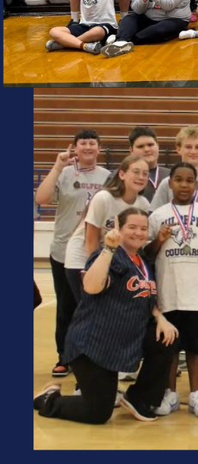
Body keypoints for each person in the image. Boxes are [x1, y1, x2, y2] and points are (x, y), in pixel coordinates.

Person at [33, 208, 179, 425]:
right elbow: (91, 287)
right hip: (92, 345)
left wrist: (160, 318)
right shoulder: (108, 255)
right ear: (119, 228)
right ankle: (49, 400)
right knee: (98, 413)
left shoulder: (141, 260)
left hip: (120, 342)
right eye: (132, 227)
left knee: (167, 338)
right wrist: (109, 248)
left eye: (143, 228)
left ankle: (138, 398)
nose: (138, 233)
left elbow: (145, 297)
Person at [147, 162, 198, 419]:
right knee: (169, 347)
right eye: (179, 180)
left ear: (196, 184)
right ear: (169, 183)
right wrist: (159, 239)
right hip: (168, 293)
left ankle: (195, 394)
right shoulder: (157, 215)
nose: (184, 184)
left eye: (189, 180)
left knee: (195, 348)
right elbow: (147, 255)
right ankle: (170, 393)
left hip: (196, 293)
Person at [35, 131, 110, 378]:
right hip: (63, 251)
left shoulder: (108, 177)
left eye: (92, 143)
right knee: (66, 306)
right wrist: (57, 166)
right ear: (74, 148)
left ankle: (92, 355)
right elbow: (41, 198)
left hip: (94, 252)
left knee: (93, 307)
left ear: (99, 148)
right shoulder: (65, 173)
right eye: (83, 143)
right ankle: (64, 356)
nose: (88, 147)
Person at [62, 154, 153, 303]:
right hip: (83, 259)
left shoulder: (143, 204)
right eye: (136, 172)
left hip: (110, 259)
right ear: (122, 174)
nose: (141, 177)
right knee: (90, 308)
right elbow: (91, 239)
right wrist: (96, 269)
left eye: (145, 174)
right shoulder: (104, 198)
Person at [150, 126, 198, 210]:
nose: (193, 151)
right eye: (188, 147)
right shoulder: (167, 183)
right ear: (178, 149)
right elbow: (154, 213)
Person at [129, 126, 169, 199]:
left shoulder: (171, 175)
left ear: (158, 146)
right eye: (140, 146)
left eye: (150, 145)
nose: (147, 149)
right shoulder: (123, 177)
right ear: (131, 150)